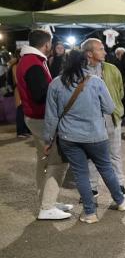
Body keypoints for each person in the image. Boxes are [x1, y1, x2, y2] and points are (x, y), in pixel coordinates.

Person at [43, 50, 125, 223]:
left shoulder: (55, 84)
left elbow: (51, 116)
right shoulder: (95, 82)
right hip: (96, 135)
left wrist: (48, 140)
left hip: (68, 137)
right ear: (85, 63)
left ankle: (90, 213)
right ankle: (120, 200)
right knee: (106, 168)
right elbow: (108, 107)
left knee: (80, 174)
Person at [16, 30, 71, 220]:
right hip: (40, 119)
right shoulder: (33, 63)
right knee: (58, 161)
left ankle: (47, 202)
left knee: (44, 161)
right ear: (47, 45)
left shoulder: (30, 60)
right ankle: (47, 207)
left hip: (35, 117)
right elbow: (40, 95)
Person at [82, 39, 125, 197]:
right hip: (90, 121)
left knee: (115, 153)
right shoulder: (80, 72)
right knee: (91, 157)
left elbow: (120, 91)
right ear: (89, 53)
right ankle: (92, 187)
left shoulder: (112, 69)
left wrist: (114, 109)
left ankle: (120, 184)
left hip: (111, 117)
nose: (105, 52)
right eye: (100, 49)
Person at [8, 50, 31, 137]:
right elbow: (18, 80)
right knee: (20, 110)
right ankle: (20, 131)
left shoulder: (23, 64)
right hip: (19, 90)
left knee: (25, 110)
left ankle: (26, 130)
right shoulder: (15, 66)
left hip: (25, 89)